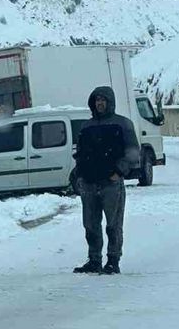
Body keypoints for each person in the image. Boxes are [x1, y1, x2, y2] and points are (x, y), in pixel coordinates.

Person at [72, 86, 139, 275]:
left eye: (103, 100)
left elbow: (133, 152)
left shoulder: (122, 124)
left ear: (110, 102)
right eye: (97, 100)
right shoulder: (86, 127)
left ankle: (113, 260)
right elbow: (80, 152)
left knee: (113, 225)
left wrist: (119, 172)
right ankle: (94, 260)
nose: (99, 103)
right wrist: (79, 174)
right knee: (90, 225)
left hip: (111, 184)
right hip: (89, 183)